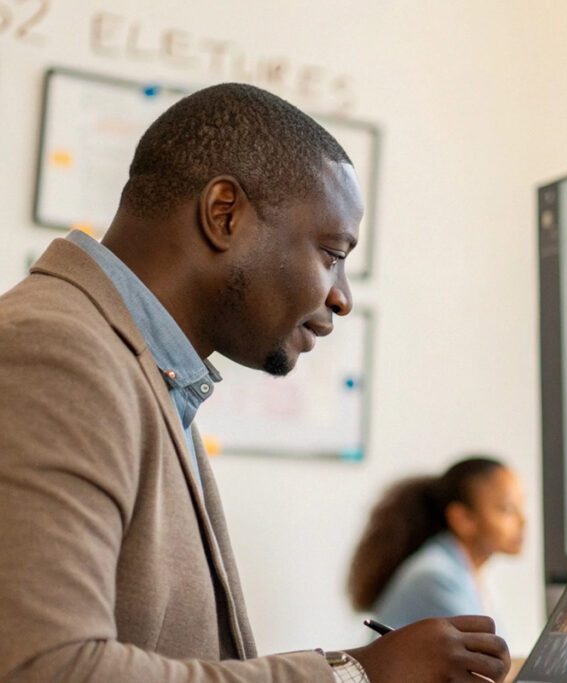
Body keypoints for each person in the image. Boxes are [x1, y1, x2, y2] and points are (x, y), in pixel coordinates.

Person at [0, 83, 509, 683]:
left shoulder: (144, 370)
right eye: (330, 252)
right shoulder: (57, 352)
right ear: (224, 214)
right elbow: (46, 668)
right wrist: (354, 676)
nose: (341, 297)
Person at [348, 457, 525, 635]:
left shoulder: (464, 570)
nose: (522, 521)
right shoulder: (438, 578)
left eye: (521, 506)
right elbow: (489, 652)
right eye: (507, 509)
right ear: (462, 519)